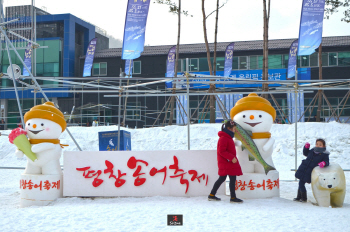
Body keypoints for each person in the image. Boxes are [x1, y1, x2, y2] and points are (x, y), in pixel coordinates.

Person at [208, 120, 243, 203]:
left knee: (229, 178)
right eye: (234, 129)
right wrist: (231, 158)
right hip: (227, 162)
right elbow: (222, 151)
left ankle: (214, 195)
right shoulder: (224, 138)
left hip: (228, 162)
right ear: (229, 128)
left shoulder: (227, 137)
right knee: (224, 178)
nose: (235, 131)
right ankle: (230, 197)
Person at [294, 138, 330, 202]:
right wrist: (306, 147)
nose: (318, 145)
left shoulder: (324, 154)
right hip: (304, 168)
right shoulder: (312, 150)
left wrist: (323, 163)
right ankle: (299, 197)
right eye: (317, 144)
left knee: (301, 183)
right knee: (301, 183)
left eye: (320, 144)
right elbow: (305, 153)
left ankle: (303, 198)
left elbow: (327, 162)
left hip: (310, 171)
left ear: (324, 146)